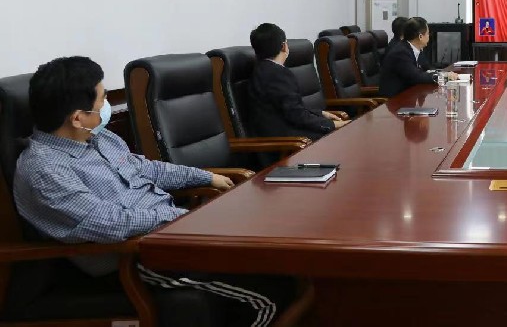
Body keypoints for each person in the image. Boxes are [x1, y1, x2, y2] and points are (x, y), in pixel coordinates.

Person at [13, 56, 297, 327]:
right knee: (267, 294)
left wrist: (207, 177)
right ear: (78, 118)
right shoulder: (45, 170)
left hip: (168, 233)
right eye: (103, 99)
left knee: (272, 256)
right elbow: (109, 222)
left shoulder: (97, 138)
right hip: (134, 257)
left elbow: (148, 169)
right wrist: (181, 218)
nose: (107, 104)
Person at [246, 23, 348, 140]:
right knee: (343, 135)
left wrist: (321, 113)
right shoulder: (278, 75)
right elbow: (296, 115)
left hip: (280, 133)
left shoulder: (261, 70)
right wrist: (332, 125)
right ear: (284, 46)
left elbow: (289, 108)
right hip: (288, 142)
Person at [380, 17, 458, 98]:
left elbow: (426, 68)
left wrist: (443, 73)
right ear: (420, 36)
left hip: (409, 94)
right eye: (427, 34)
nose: (429, 36)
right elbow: (416, 77)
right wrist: (443, 77)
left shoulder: (414, 49)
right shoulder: (401, 53)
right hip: (396, 99)